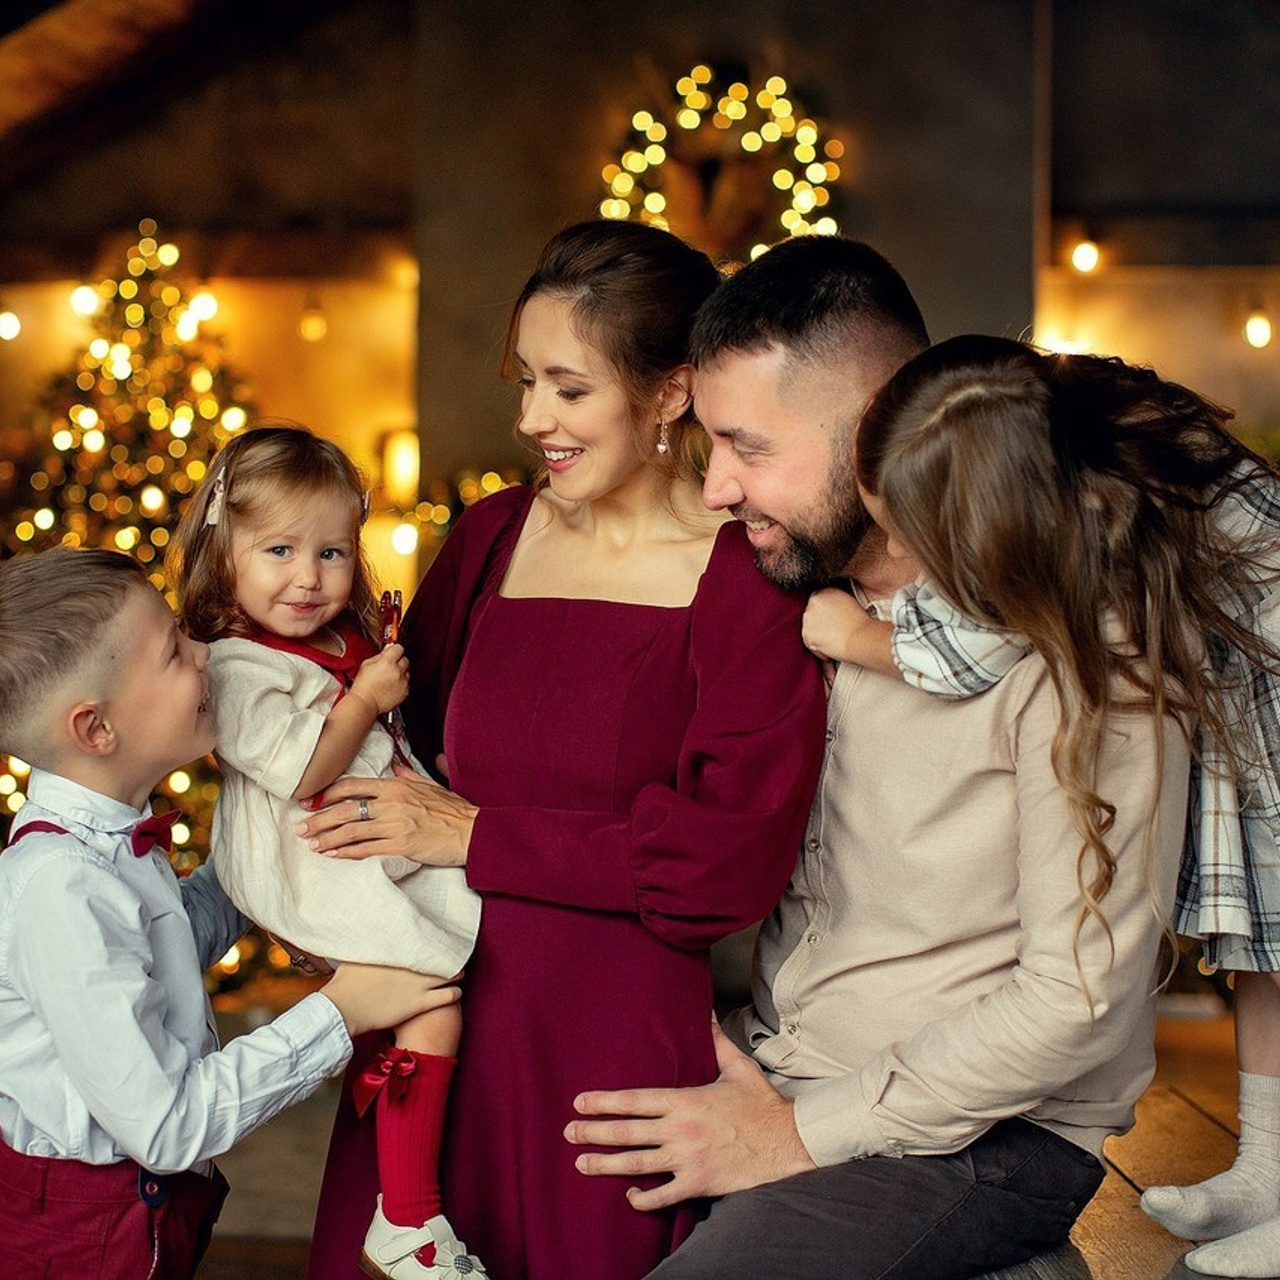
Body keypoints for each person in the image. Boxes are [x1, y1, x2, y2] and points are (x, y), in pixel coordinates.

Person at [563, 238, 1192, 1279]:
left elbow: (1075, 999)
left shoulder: (1078, 643)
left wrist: (794, 1135)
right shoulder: (797, 596)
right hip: (777, 1065)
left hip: (980, 1136)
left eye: (745, 445)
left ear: (871, 434)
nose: (715, 486)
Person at [297, 220, 828, 1280]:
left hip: (606, 1067)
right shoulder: (491, 535)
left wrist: (480, 835)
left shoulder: (743, 578)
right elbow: (385, 755)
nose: (531, 416)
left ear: (670, 390)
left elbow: (725, 866)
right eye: (526, 380)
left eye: (567, 387)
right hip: (432, 1029)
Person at [802, 335, 1280, 1280]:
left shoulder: (1074, 516)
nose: (897, 550)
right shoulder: (1030, 425)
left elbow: (977, 645)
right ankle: (1267, 1164)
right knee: (1260, 938)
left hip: (1265, 658)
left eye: (907, 529)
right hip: (1235, 665)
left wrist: (853, 633)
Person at [0, 546, 454, 1280]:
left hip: (151, 1217)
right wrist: (340, 1012)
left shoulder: (110, 842)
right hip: (81, 1242)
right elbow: (167, 1124)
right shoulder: (61, 890)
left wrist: (281, 856)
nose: (207, 654)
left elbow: (175, 940)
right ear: (96, 731)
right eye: (172, 654)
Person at [168, 424, 483, 1278]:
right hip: (310, 855)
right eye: (278, 549)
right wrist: (369, 694)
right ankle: (409, 1218)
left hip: (359, 840)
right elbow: (305, 770)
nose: (309, 577)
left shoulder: (333, 633)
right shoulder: (236, 663)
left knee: (453, 974)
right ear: (223, 555)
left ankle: (401, 1135)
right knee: (434, 999)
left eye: (332, 551)